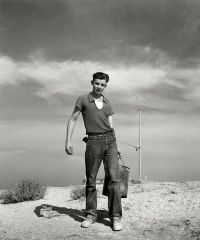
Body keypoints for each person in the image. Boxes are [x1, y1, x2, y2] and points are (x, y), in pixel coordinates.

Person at [65, 72, 122, 231]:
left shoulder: (108, 103)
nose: (99, 87)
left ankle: (116, 217)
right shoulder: (83, 99)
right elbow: (73, 119)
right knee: (91, 180)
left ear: (106, 86)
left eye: (103, 85)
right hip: (93, 141)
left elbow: (111, 126)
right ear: (92, 82)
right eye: (97, 83)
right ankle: (90, 215)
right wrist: (68, 141)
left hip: (110, 141)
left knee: (114, 179)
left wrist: (116, 146)